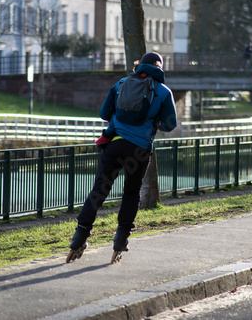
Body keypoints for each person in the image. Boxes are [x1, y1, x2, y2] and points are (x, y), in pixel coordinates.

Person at [67, 52, 177, 263]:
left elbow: (104, 113)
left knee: (99, 190)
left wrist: (122, 118)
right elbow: (170, 124)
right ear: (159, 68)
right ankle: (120, 241)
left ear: (139, 65)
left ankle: (79, 236)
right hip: (139, 150)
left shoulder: (121, 83)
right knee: (131, 193)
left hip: (115, 143)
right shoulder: (163, 91)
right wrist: (153, 123)